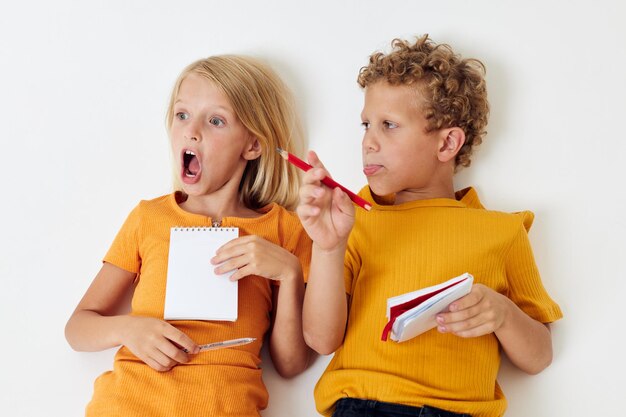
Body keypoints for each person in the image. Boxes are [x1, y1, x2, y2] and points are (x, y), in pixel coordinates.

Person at [298, 35, 563, 417]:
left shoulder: (502, 232)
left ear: (447, 144)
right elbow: (321, 340)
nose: (368, 142)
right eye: (365, 125)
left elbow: (539, 357)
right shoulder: (353, 220)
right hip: (360, 405)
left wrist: (502, 313)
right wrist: (327, 246)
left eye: (388, 125)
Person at [65, 54, 313, 417]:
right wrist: (130, 329)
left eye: (216, 120)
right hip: (126, 405)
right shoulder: (148, 217)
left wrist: (290, 274)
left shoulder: (284, 230)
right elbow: (78, 328)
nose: (191, 130)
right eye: (182, 115)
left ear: (253, 145)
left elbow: (290, 365)